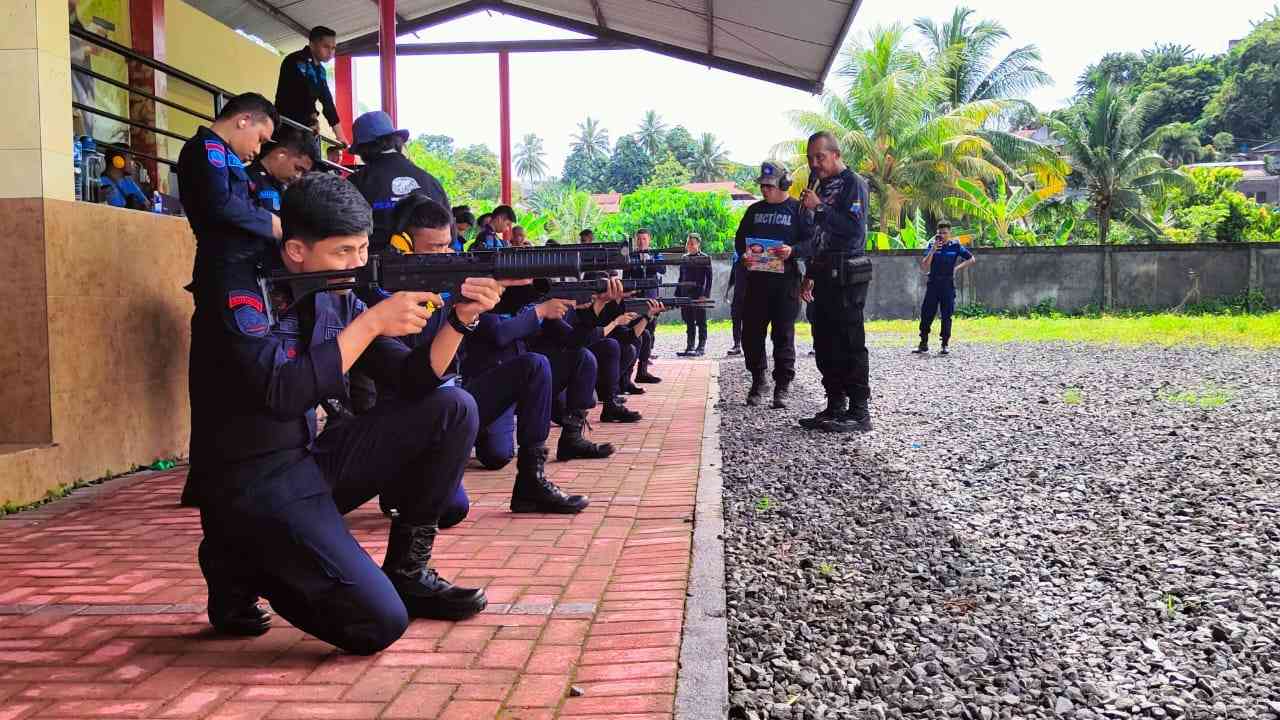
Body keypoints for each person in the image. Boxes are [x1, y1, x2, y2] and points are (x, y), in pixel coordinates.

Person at [189, 173, 502, 653]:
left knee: (452, 407)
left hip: (305, 463)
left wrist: (461, 318)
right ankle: (236, 556)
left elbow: (414, 381)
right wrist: (372, 321)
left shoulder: (334, 286)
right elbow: (282, 394)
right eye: (344, 252)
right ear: (295, 250)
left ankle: (409, 570)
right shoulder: (236, 289)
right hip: (248, 484)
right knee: (377, 624)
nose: (357, 264)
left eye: (361, 250)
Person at [798, 132, 873, 434]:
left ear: (836, 154)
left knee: (849, 341)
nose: (815, 164)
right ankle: (834, 405)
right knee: (824, 342)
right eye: (810, 158)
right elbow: (819, 238)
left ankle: (859, 411)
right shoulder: (822, 185)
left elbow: (853, 230)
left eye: (820, 157)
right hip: (823, 272)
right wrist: (809, 275)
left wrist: (819, 208)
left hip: (846, 273)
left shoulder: (853, 183)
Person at [176, 92, 282, 302]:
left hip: (239, 269)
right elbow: (219, 202)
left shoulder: (225, 155)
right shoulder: (207, 148)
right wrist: (270, 222)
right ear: (244, 121)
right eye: (260, 139)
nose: (258, 150)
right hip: (225, 269)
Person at [734, 161, 812, 407]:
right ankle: (758, 380)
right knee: (751, 335)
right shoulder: (754, 211)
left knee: (783, 336)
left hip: (786, 284)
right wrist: (743, 256)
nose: (764, 190)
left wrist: (793, 251)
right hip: (755, 283)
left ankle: (782, 386)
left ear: (783, 184)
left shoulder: (799, 211)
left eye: (769, 185)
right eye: (762, 186)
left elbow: (812, 242)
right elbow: (740, 241)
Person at [348, 111, 453, 254]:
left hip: (373, 271)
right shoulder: (431, 182)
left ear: (363, 150)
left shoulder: (356, 183)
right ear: (397, 141)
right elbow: (450, 232)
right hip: (430, 270)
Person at [274, 26, 347, 146]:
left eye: (333, 48)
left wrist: (340, 136)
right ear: (312, 45)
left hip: (307, 128)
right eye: (326, 47)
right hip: (287, 124)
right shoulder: (295, 60)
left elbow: (327, 101)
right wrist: (313, 118)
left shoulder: (321, 71)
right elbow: (302, 93)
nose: (331, 52)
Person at [914, 221, 975, 355]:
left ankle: (945, 344)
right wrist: (933, 250)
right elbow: (925, 266)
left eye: (944, 233)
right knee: (926, 314)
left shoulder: (956, 246)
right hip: (933, 284)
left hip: (947, 284)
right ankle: (923, 343)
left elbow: (971, 259)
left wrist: (957, 268)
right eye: (939, 233)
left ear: (950, 234)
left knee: (947, 315)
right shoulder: (932, 245)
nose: (942, 235)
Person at [622, 228, 665, 383]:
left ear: (649, 240)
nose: (641, 242)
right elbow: (626, 276)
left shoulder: (656, 254)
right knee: (636, 333)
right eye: (639, 239)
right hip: (635, 300)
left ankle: (643, 369)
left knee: (650, 331)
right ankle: (628, 373)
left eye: (644, 239)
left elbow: (663, 269)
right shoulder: (631, 256)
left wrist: (650, 260)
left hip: (651, 298)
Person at [246, 126, 317, 212]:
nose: (298, 176)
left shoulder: (287, 190)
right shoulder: (247, 179)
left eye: (304, 173)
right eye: (298, 168)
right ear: (281, 154)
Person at [676, 233, 713, 357]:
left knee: (701, 321)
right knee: (689, 321)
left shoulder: (705, 258)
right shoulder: (684, 258)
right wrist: (678, 294)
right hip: (685, 294)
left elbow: (709, 278)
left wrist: (705, 295)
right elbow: (680, 277)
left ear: (698, 244)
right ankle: (690, 346)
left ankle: (701, 346)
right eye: (688, 243)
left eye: (692, 243)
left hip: (699, 294)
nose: (690, 246)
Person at [724, 251, 745, 356]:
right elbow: (733, 273)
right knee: (736, 317)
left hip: (752, 292)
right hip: (738, 292)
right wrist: (728, 290)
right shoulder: (736, 254)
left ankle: (751, 346)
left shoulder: (755, 249)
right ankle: (737, 345)